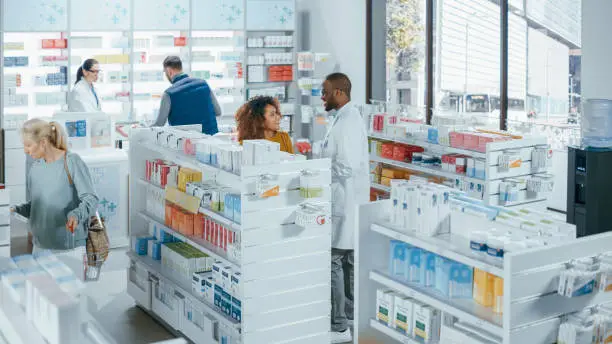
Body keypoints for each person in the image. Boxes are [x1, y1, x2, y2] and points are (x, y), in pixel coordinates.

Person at [320, 73, 369, 343]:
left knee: (334, 261)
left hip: (344, 200)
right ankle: (349, 316)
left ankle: (339, 326)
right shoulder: (345, 118)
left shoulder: (347, 122)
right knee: (348, 262)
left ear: (339, 92)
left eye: (325, 91)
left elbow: (346, 165)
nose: (322, 96)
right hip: (348, 201)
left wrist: (318, 170)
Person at [9, 119, 99, 252]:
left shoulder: (71, 162)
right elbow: (36, 207)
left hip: (68, 246)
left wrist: (76, 215)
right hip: (39, 246)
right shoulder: (35, 168)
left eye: (28, 145)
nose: (25, 150)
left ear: (43, 142)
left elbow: (91, 198)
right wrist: (15, 210)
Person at [152, 56, 222, 135]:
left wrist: (142, 128)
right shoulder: (203, 84)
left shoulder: (169, 94)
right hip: (211, 142)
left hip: (185, 144)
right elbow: (218, 112)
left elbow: (159, 124)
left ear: (169, 71)